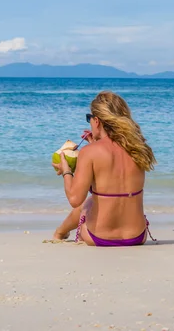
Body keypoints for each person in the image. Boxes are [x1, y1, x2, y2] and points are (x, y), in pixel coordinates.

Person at [52, 91, 156, 246]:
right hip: (137, 237)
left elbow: (74, 199)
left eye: (89, 118)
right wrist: (95, 145)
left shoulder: (90, 153)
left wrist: (66, 171)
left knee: (86, 203)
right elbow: (111, 184)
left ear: (97, 121)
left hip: (100, 237)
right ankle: (60, 232)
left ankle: (59, 233)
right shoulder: (139, 148)